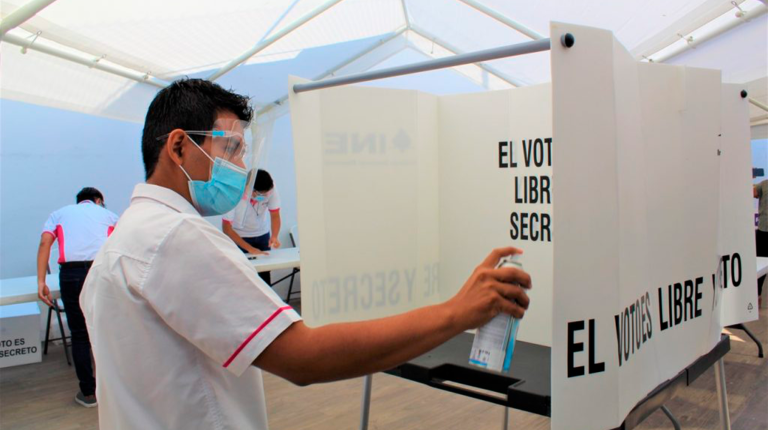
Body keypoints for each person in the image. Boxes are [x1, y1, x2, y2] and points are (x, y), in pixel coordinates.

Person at [80, 79, 531, 430]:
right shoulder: (175, 236)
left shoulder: (123, 240)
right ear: (179, 145)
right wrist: (456, 313)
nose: (238, 166)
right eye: (230, 148)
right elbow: (304, 357)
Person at [37, 187, 118, 408]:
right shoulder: (109, 215)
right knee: (105, 332)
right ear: (99, 200)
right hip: (101, 272)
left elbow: (45, 242)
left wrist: (41, 281)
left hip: (71, 275)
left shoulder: (59, 214)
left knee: (80, 335)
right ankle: (113, 389)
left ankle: (89, 394)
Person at [222, 169, 281, 284]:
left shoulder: (270, 188)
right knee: (242, 275)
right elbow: (227, 229)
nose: (265, 197)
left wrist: (274, 236)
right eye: (260, 195)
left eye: (267, 194)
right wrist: (250, 249)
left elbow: (275, 215)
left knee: (264, 275)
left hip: (262, 235)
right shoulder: (234, 193)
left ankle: (266, 301)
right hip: (239, 237)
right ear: (250, 188)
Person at [754, 180, 768, 306]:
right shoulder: (764, 184)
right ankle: (757, 295)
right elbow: (752, 192)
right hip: (765, 230)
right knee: (761, 264)